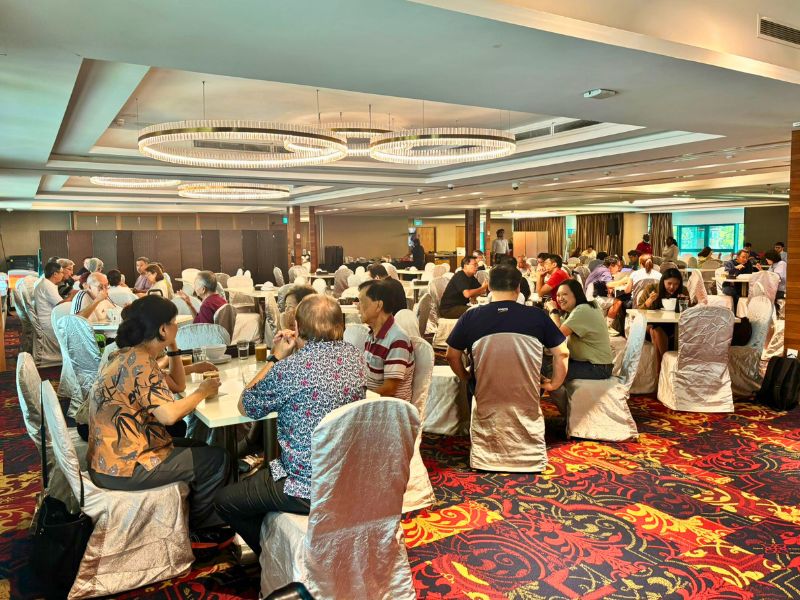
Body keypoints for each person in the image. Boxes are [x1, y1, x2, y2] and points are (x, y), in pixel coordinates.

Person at [213, 295, 367, 554]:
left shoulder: (290, 369)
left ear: (296, 327)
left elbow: (245, 405)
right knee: (263, 476)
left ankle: (270, 555)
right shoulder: (355, 357)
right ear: (340, 324)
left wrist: (275, 358)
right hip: (350, 477)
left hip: (306, 487)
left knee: (225, 501)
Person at [87, 295, 229, 531]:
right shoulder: (141, 364)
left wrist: (172, 346)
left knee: (198, 446)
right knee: (218, 459)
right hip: (125, 466)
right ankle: (204, 530)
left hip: (108, 459)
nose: (177, 326)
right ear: (163, 328)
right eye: (174, 323)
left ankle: (192, 515)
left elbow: (177, 384)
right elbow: (169, 416)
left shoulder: (129, 355)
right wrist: (203, 391)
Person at [444, 264, 569, 409]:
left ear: (489, 287)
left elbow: (451, 355)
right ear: (518, 288)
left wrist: (465, 376)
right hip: (526, 391)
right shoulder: (537, 316)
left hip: (483, 392)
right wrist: (554, 384)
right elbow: (563, 353)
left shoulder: (470, 316)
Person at [357, 280, 415, 402]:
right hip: (374, 403)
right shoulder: (373, 334)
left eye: (361, 301)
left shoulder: (398, 339)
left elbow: (390, 389)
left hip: (389, 409)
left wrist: (359, 400)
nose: (357, 306)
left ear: (378, 305)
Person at [549, 279, 614, 380]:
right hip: (590, 364)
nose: (560, 298)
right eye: (558, 295)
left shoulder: (583, 310)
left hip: (598, 368)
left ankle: (560, 395)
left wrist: (553, 311)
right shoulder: (574, 311)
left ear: (576, 294)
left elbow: (556, 335)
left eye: (564, 294)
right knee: (546, 363)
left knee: (548, 370)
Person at [637, 268, 690, 371]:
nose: (672, 287)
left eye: (676, 284)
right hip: (650, 324)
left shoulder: (683, 290)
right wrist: (649, 301)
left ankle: (660, 368)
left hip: (673, 324)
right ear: (663, 282)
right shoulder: (651, 288)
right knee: (655, 329)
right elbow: (640, 310)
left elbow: (689, 311)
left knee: (655, 331)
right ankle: (664, 366)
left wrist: (685, 302)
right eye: (669, 283)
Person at [34, 261, 69, 332]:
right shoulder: (47, 285)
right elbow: (61, 304)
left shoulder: (47, 283)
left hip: (49, 318)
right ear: (55, 274)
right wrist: (73, 296)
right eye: (62, 272)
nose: (63, 275)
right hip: (48, 322)